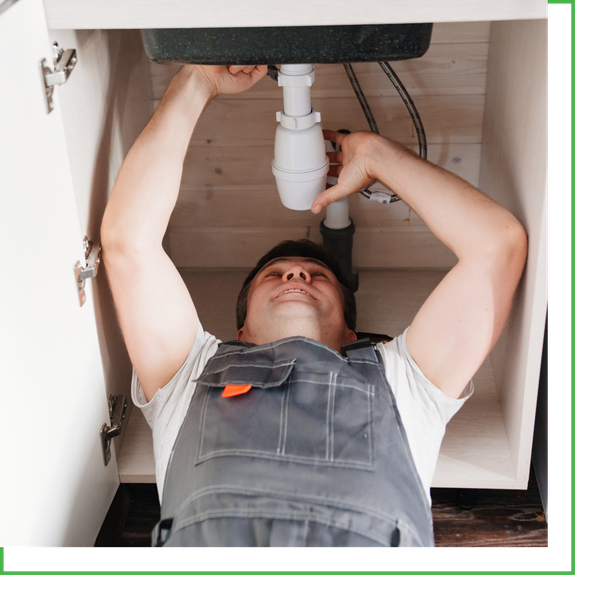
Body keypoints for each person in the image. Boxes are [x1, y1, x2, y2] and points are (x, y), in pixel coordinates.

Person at [101, 64, 527, 549]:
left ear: (352, 332)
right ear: (238, 330)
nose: (296, 274)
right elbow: (127, 242)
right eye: (275, 275)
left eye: (316, 275)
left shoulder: (403, 380)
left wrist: (376, 154)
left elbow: (498, 247)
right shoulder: (190, 371)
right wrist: (197, 79)